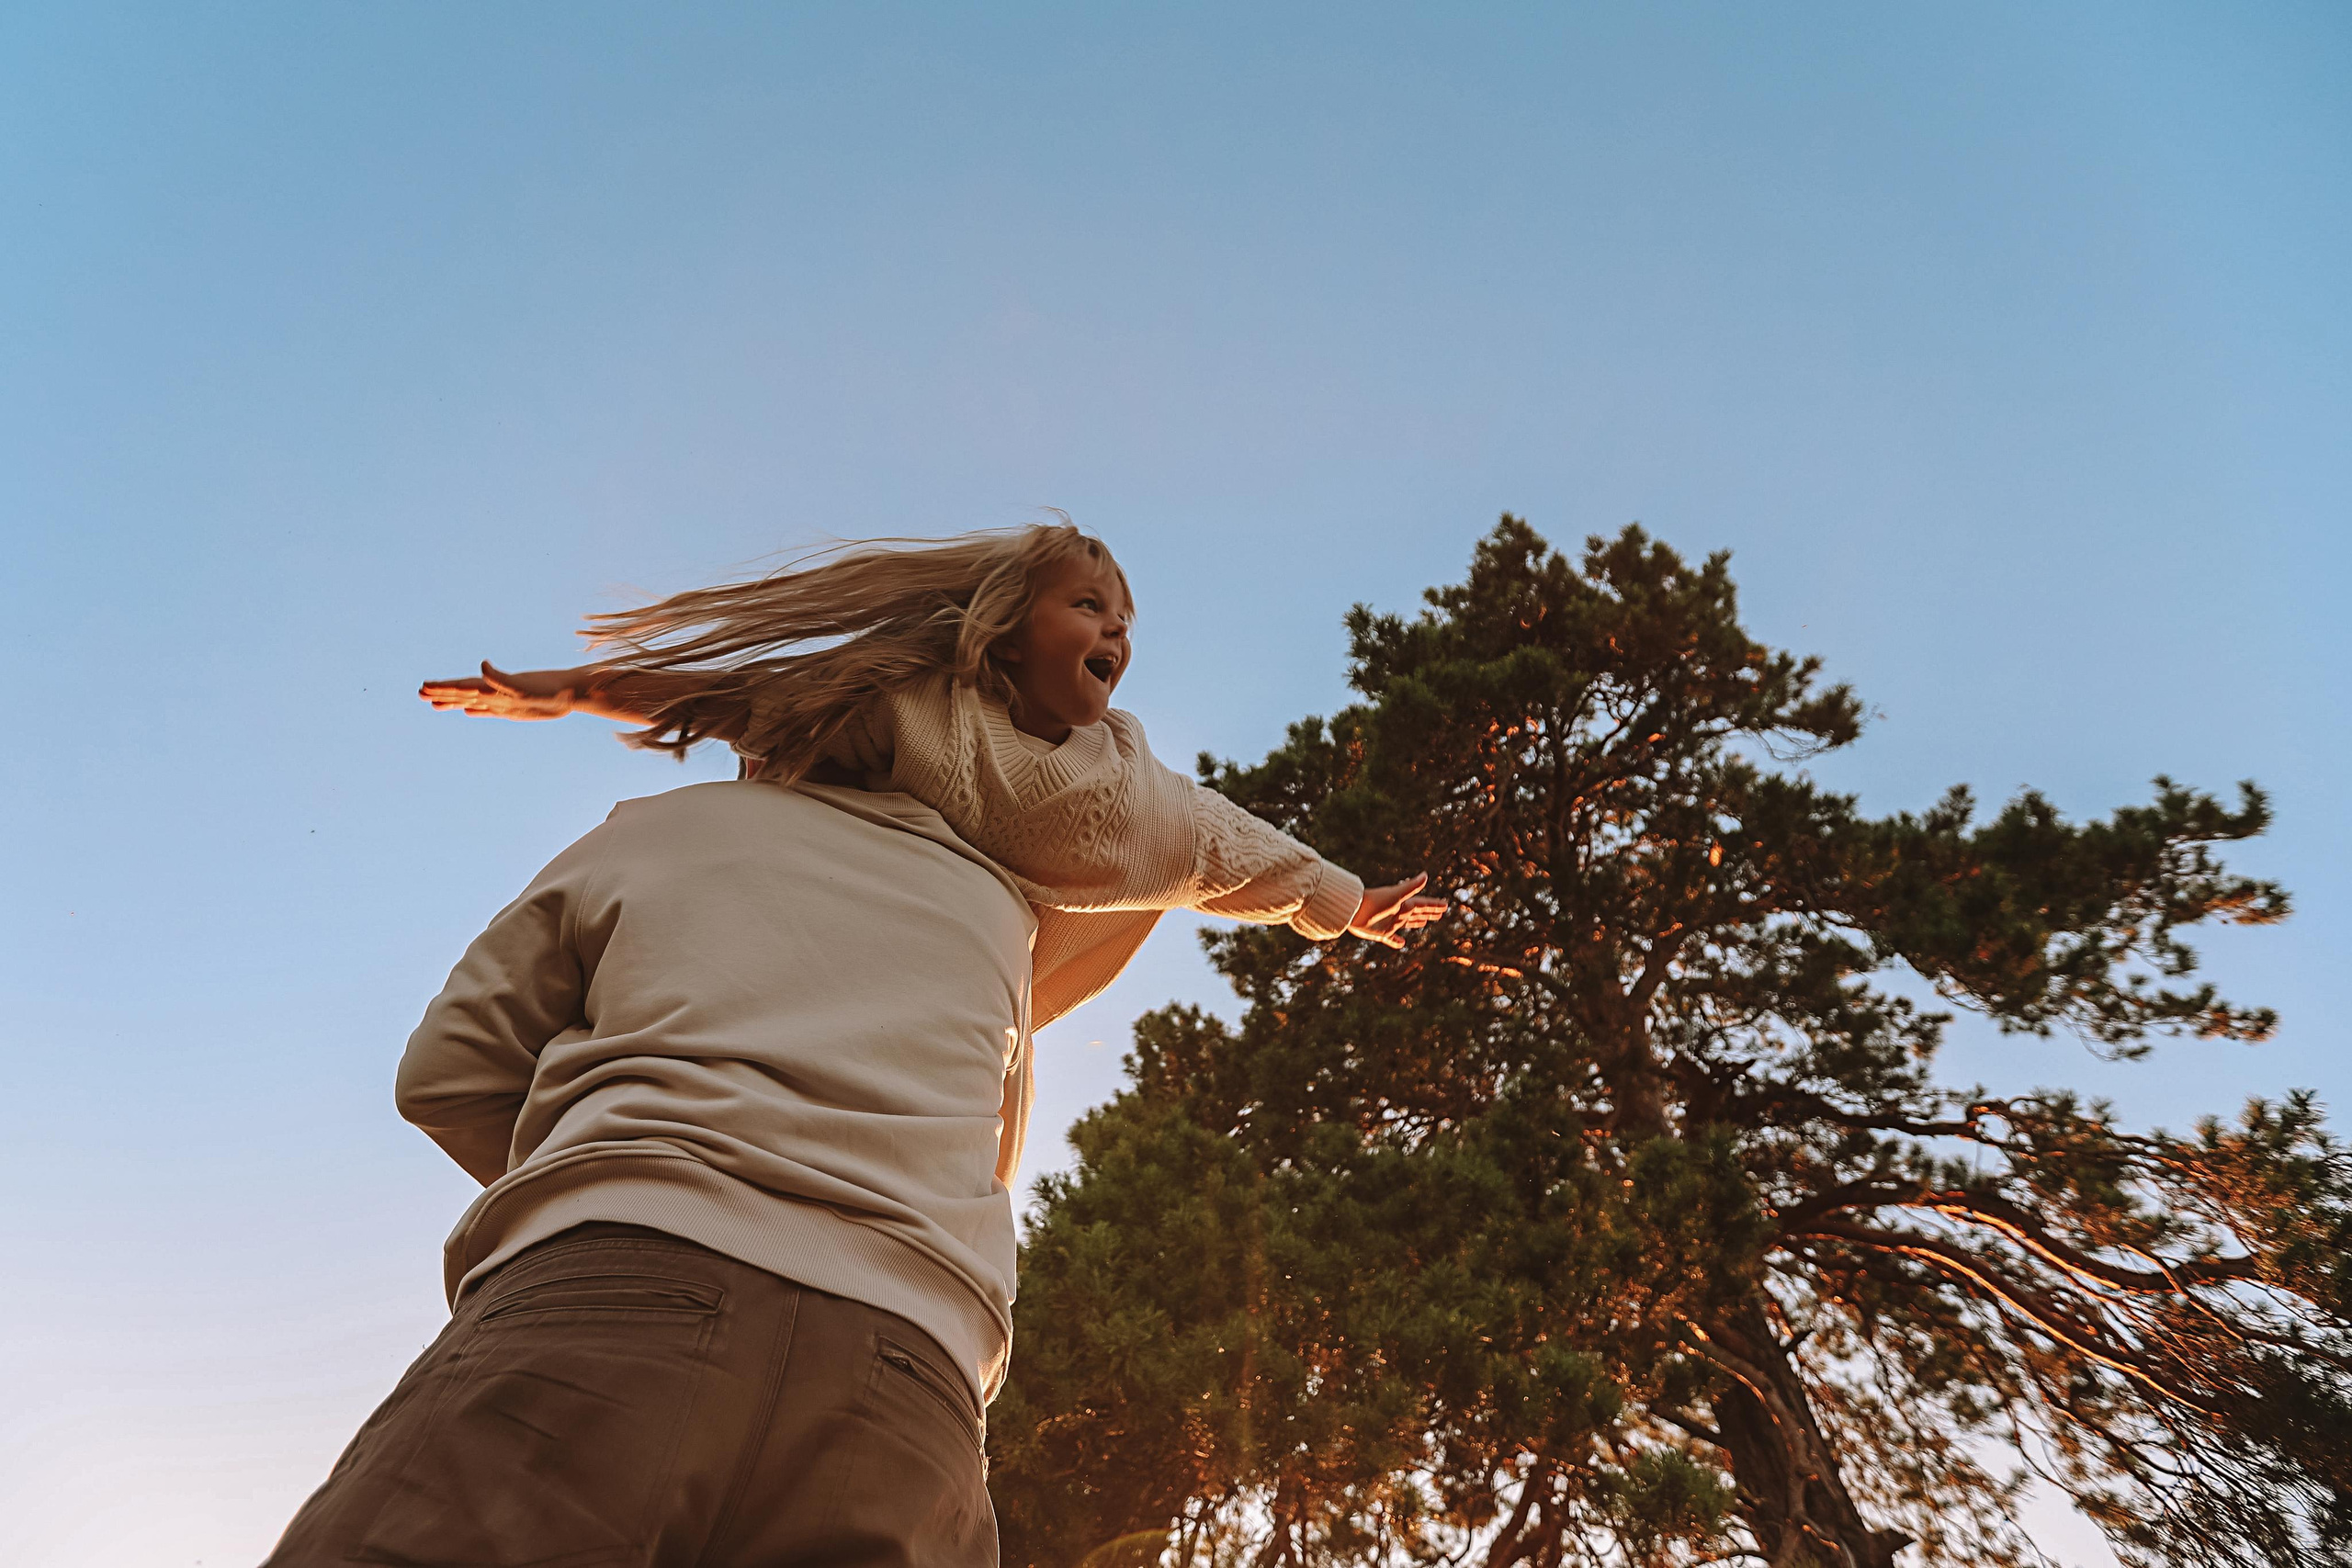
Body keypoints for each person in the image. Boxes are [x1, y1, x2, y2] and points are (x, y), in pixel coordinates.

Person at [263, 524, 1442, 1565]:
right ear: (993, 629)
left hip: (611, 1305)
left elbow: (447, 1078)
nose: (1116, 633)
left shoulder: (661, 835)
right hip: (906, 1376)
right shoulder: (1001, 911)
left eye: (1122, 620)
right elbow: (1226, 850)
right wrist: (1344, 903)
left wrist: (616, 1180)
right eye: (1090, 606)